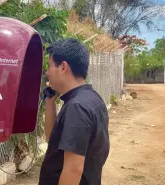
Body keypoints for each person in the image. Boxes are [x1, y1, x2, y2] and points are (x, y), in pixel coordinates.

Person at [38, 38, 110, 185]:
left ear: (63, 67)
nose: (47, 73)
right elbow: (51, 139)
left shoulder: (77, 107)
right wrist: (50, 100)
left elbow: (73, 169)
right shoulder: (91, 98)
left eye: (50, 66)